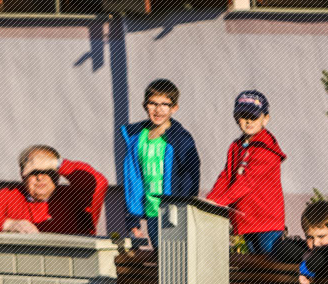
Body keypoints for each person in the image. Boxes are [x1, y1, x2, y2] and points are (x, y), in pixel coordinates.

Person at [118, 79, 200, 248]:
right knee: (160, 258)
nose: (158, 109)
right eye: (153, 103)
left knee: (176, 257)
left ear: (174, 108)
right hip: (152, 213)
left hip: (174, 213)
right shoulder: (137, 138)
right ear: (145, 105)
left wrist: (182, 207)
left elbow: (191, 173)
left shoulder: (180, 139)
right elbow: (134, 179)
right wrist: (133, 218)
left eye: (165, 104)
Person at [0, 145, 108, 235]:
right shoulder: (9, 196)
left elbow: (98, 183)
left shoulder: (74, 197)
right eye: (34, 172)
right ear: (23, 176)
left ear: (57, 175)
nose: (40, 177)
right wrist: (9, 224)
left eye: (47, 171)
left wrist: (58, 164)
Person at [205, 90, 287, 254]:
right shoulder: (236, 146)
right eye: (243, 116)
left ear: (265, 119)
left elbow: (246, 182)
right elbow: (226, 176)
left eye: (254, 116)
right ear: (236, 118)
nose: (249, 121)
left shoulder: (266, 149)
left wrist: (220, 202)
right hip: (246, 220)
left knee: (270, 263)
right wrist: (210, 201)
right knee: (254, 264)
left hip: (266, 222)